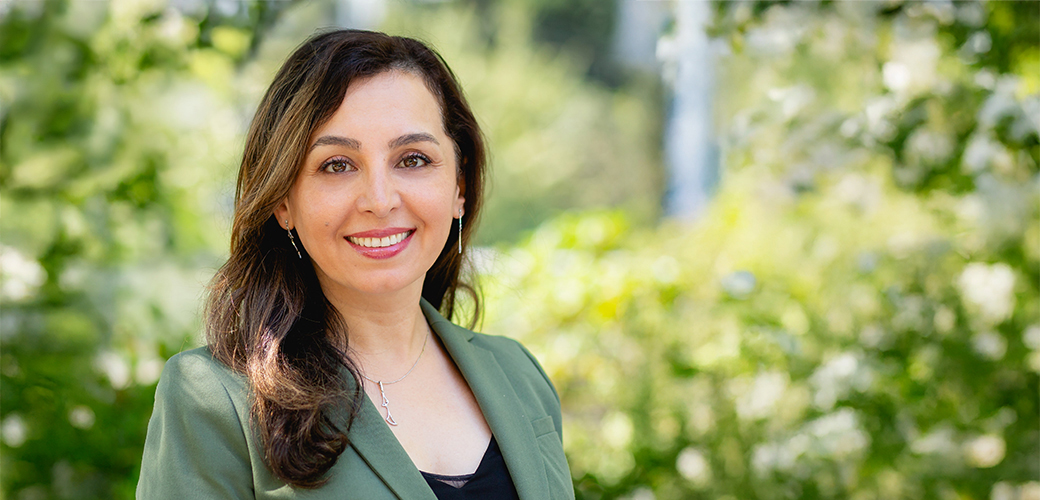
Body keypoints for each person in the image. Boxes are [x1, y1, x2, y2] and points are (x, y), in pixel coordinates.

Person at [137, 30, 574, 500]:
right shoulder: (215, 399)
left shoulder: (519, 375)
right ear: (283, 200)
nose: (380, 201)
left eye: (413, 159)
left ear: (459, 187)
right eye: (337, 165)